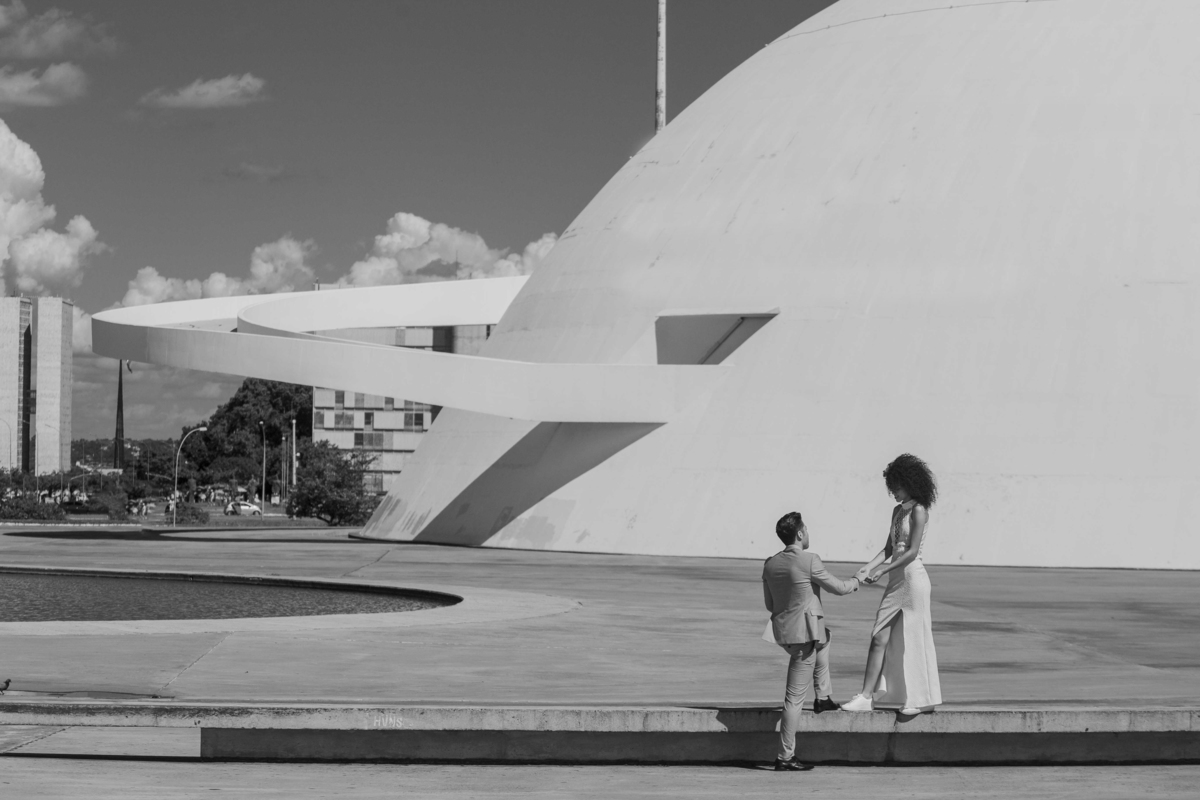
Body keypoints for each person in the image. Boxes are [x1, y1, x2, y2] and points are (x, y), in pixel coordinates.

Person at [843, 454, 942, 715]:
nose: (894, 492)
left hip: (913, 580)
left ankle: (921, 700)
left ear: (910, 483)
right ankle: (866, 696)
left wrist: (883, 569)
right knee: (879, 637)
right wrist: (869, 567)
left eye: (897, 487)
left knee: (915, 640)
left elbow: (910, 552)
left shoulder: (919, 511)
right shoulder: (897, 511)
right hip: (896, 580)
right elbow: (890, 547)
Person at [762, 511, 861, 771]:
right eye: (806, 529)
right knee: (793, 700)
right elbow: (838, 588)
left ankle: (823, 696)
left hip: (785, 633)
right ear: (800, 533)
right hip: (804, 637)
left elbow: (769, 604)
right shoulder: (809, 560)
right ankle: (785, 757)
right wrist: (858, 580)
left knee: (825, 637)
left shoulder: (770, 563)